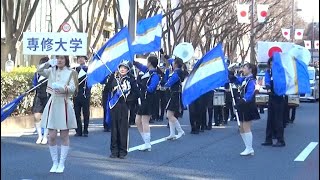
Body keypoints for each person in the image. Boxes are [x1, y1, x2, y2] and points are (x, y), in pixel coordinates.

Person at [38, 55, 78, 173]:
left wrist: (61, 87)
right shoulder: (51, 71)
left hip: (64, 103)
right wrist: (48, 63)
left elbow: (73, 88)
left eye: (62, 58)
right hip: (53, 103)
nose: (59, 60)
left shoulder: (71, 72)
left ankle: (62, 163)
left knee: (64, 135)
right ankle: (54, 162)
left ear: (66, 60)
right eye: (57, 58)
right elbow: (39, 70)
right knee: (52, 136)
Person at [105, 60, 138, 159]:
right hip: (114, 106)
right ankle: (114, 151)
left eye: (125, 68)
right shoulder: (113, 77)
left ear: (128, 69)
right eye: (121, 67)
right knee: (114, 129)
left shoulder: (131, 79)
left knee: (123, 129)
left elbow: (136, 93)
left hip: (125, 106)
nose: (123, 69)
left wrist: (129, 100)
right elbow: (106, 89)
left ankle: (123, 151)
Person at [229, 63, 260, 156]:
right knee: (241, 127)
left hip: (248, 105)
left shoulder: (252, 80)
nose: (243, 69)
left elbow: (250, 93)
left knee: (246, 127)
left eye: (245, 68)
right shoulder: (245, 79)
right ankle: (247, 147)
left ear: (250, 70)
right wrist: (229, 74)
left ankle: (250, 148)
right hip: (243, 104)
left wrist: (242, 101)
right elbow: (237, 80)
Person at [133, 56, 160, 151]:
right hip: (143, 99)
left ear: (149, 63)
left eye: (147, 61)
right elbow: (140, 66)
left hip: (149, 100)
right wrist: (133, 61)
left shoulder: (155, 75)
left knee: (144, 121)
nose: (145, 63)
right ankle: (146, 141)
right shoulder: (147, 71)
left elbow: (151, 89)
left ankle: (147, 143)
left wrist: (141, 85)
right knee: (137, 121)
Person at [261, 57, 286, 147]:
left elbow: (283, 83)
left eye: (273, 64)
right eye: (270, 64)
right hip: (271, 97)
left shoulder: (281, 72)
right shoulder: (268, 72)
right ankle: (268, 139)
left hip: (279, 97)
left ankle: (280, 140)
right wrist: (268, 88)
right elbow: (267, 81)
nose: (271, 66)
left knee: (278, 120)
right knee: (270, 119)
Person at [164, 58, 186, 140]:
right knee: (170, 114)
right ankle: (172, 133)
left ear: (176, 64)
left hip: (175, 94)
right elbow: (170, 60)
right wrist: (164, 55)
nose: (171, 63)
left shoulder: (177, 73)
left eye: (173, 62)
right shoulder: (178, 71)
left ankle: (180, 131)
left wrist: (164, 85)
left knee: (169, 115)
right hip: (174, 94)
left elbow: (169, 82)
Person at [32, 57, 50, 145]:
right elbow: (34, 84)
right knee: (36, 116)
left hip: (47, 96)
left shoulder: (51, 74)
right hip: (38, 96)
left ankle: (45, 136)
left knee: (47, 117)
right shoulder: (37, 74)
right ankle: (40, 136)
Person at [74, 56, 91, 137]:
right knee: (76, 113)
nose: (80, 59)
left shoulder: (89, 69)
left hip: (85, 93)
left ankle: (85, 130)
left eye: (82, 58)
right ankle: (78, 130)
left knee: (86, 113)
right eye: (79, 58)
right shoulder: (74, 69)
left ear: (85, 60)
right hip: (76, 94)